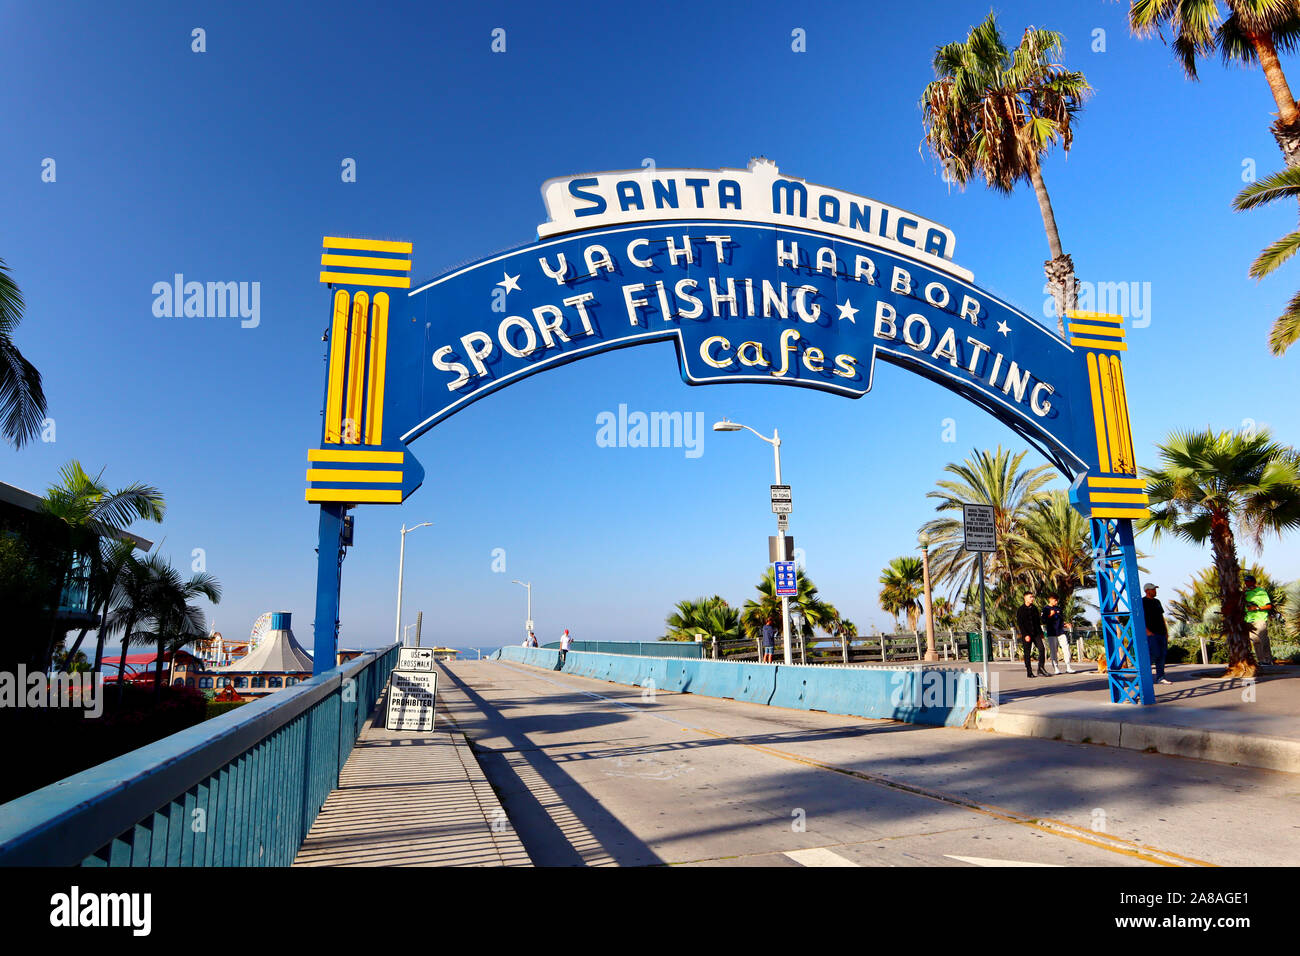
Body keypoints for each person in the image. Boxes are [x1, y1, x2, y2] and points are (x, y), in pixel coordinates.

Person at [1142, 584, 1171, 685]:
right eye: (1153, 589)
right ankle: (1146, 677)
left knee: (1162, 656)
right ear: (1147, 591)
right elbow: (1140, 618)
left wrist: (1166, 632)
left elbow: (1161, 617)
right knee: (1154, 654)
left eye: (1155, 589)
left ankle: (1161, 677)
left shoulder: (1157, 602)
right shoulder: (1143, 602)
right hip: (1151, 634)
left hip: (1161, 633)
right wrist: (1147, 631)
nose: (1155, 591)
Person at [1243, 574, 1275, 666]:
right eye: (1245, 581)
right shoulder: (1245, 593)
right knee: (1255, 640)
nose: (1247, 583)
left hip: (1260, 619)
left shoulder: (1261, 592)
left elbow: (1269, 606)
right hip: (1249, 620)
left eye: (1248, 581)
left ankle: (1267, 660)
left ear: (1253, 582)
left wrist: (1257, 608)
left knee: (1263, 639)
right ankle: (1261, 660)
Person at [1015, 591, 1047, 678]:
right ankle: (1029, 672)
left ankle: (1041, 668)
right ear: (1025, 598)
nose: (1032, 599)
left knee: (1042, 649)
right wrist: (1025, 635)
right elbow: (1020, 624)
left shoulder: (1034, 608)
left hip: (1036, 633)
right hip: (1027, 635)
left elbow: (1037, 622)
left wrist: (1041, 633)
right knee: (1027, 653)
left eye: (1032, 597)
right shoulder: (1020, 610)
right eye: (1030, 597)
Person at [1043, 595, 1075, 674]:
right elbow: (1043, 620)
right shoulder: (1046, 609)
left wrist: (1066, 624)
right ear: (1050, 599)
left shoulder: (1058, 609)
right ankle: (1056, 668)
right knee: (1054, 651)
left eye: (1057, 600)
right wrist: (1050, 615)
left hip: (1061, 632)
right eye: (1055, 600)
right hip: (1052, 633)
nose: (1056, 602)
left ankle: (1068, 667)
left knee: (1066, 648)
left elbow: (1061, 620)